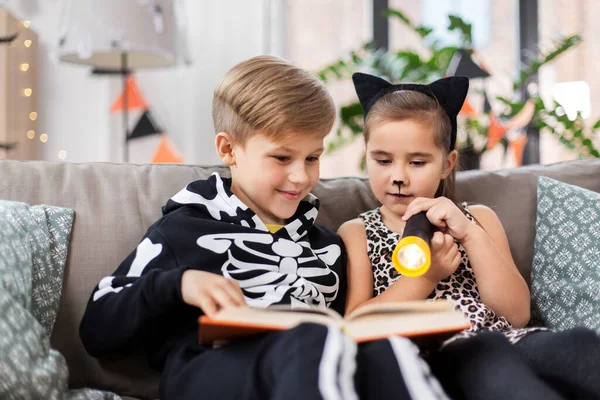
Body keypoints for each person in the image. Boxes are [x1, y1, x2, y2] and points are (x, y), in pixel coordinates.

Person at [79, 56, 450, 400]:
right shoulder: (183, 228)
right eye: (282, 157)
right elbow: (97, 328)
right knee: (310, 342)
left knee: (387, 348)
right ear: (229, 150)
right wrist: (178, 284)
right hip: (208, 371)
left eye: (313, 158)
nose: (300, 176)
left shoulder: (329, 247)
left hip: (308, 367)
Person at [338, 72, 600, 400]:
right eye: (382, 160)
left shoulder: (478, 218)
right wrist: (426, 277)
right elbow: (355, 325)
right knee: (494, 366)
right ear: (367, 157)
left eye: (417, 162)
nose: (399, 177)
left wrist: (470, 235)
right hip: (440, 356)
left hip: (512, 340)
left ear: (447, 164)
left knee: (579, 344)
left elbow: (516, 314)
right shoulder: (358, 231)